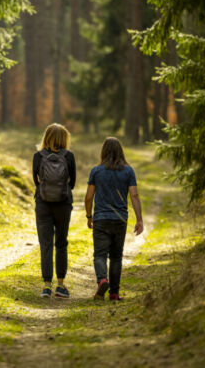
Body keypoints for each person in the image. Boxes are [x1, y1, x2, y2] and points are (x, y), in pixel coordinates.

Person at [84, 137, 143, 301]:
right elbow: (134, 195)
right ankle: (114, 293)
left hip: (101, 219)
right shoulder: (128, 171)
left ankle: (102, 279)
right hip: (120, 220)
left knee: (100, 255)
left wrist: (89, 216)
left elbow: (89, 197)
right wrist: (139, 220)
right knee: (116, 256)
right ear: (121, 152)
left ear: (103, 152)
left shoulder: (96, 171)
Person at [33, 123, 76, 299]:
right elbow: (72, 183)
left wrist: (46, 190)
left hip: (43, 204)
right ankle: (60, 285)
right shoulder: (69, 156)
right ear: (64, 139)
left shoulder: (38, 156)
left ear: (46, 137)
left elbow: (36, 181)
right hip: (63, 204)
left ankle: (46, 286)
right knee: (61, 243)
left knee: (45, 244)